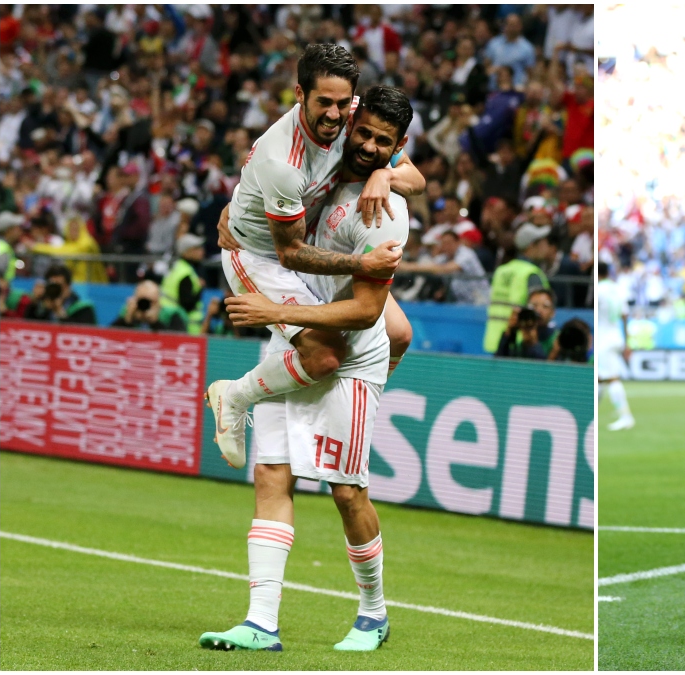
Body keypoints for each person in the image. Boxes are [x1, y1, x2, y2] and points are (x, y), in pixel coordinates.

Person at [202, 85, 414, 653]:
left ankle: (374, 614)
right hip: (293, 333)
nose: (368, 147)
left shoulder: (386, 210)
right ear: (350, 119)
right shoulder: (317, 162)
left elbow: (368, 311)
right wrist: (237, 215)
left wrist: (271, 309)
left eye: (383, 144)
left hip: (349, 355)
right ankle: (259, 622)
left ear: (399, 146)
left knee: (347, 492)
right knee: (271, 475)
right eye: (362, 132)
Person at [207, 44, 423, 469]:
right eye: (323, 102)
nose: (334, 114)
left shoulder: (356, 118)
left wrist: (385, 173)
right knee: (325, 357)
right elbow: (289, 254)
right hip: (259, 254)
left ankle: (360, 399)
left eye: (342, 104)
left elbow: (416, 178)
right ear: (299, 94)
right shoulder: (284, 161)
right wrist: (362, 264)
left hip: (311, 244)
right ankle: (233, 397)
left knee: (399, 333)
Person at [482, 222, 552, 353]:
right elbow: (540, 311)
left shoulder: (501, 270)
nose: (546, 246)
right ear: (532, 246)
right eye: (543, 242)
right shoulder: (532, 274)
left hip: (495, 341)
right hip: (520, 342)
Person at [597, 262, 635, 430]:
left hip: (603, 339)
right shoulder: (618, 288)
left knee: (612, 379)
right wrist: (627, 342)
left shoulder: (598, 290)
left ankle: (626, 417)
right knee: (598, 379)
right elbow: (625, 316)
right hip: (616, 336)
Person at [160, 233, 206, 335]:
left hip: (169, 321)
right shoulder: (185, 273)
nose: (201, 251)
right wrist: (200, 288)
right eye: (196, 248)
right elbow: (187, 304)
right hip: (184, 328)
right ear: (186, 252)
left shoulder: (177, 267)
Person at [24, 263, 97, 324]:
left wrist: (60, 312)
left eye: (60, 286)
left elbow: (85, 334)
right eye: (53, 286)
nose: (56, 290)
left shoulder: (83, 309)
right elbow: (28, 328)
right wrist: (35, 303)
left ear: (69, 286)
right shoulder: (43, 307)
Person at [110, 279, 188, 332]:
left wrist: (155, 322)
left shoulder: (172, 315)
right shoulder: (127, 312)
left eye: (150, 302)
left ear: (158, 302)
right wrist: (127, 321)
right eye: (141, 301)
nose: (145, 305)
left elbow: (178, 341)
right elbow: (108, 337)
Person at [1, 211, 24, 282]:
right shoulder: (2, 247)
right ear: (9, 230)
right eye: (17, 228)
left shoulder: (7, 246)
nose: (21, 231)